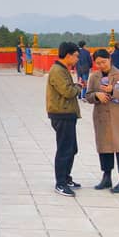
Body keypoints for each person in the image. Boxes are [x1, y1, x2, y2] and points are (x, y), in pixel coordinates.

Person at [86, 49, 119, 193]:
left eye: (103, 62)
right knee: (104, 147)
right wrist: (97, 95)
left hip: (117, 117)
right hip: (101, 117)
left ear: (110, 59)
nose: (101, 65)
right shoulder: (94, 77)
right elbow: (88, 96)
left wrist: (113, 91)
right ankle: (106, 177)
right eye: (98, 63)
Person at [48, 42, 83, 196]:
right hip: (61, 114)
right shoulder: (57, 71)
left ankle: (66, 177)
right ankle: (60, 183)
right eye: (76, 56)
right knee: (64, 149)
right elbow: (68, 92)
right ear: (68, 55)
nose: (77, 59)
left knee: (71, 148)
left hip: (68, 113)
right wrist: (78, 87)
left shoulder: (63, 70)